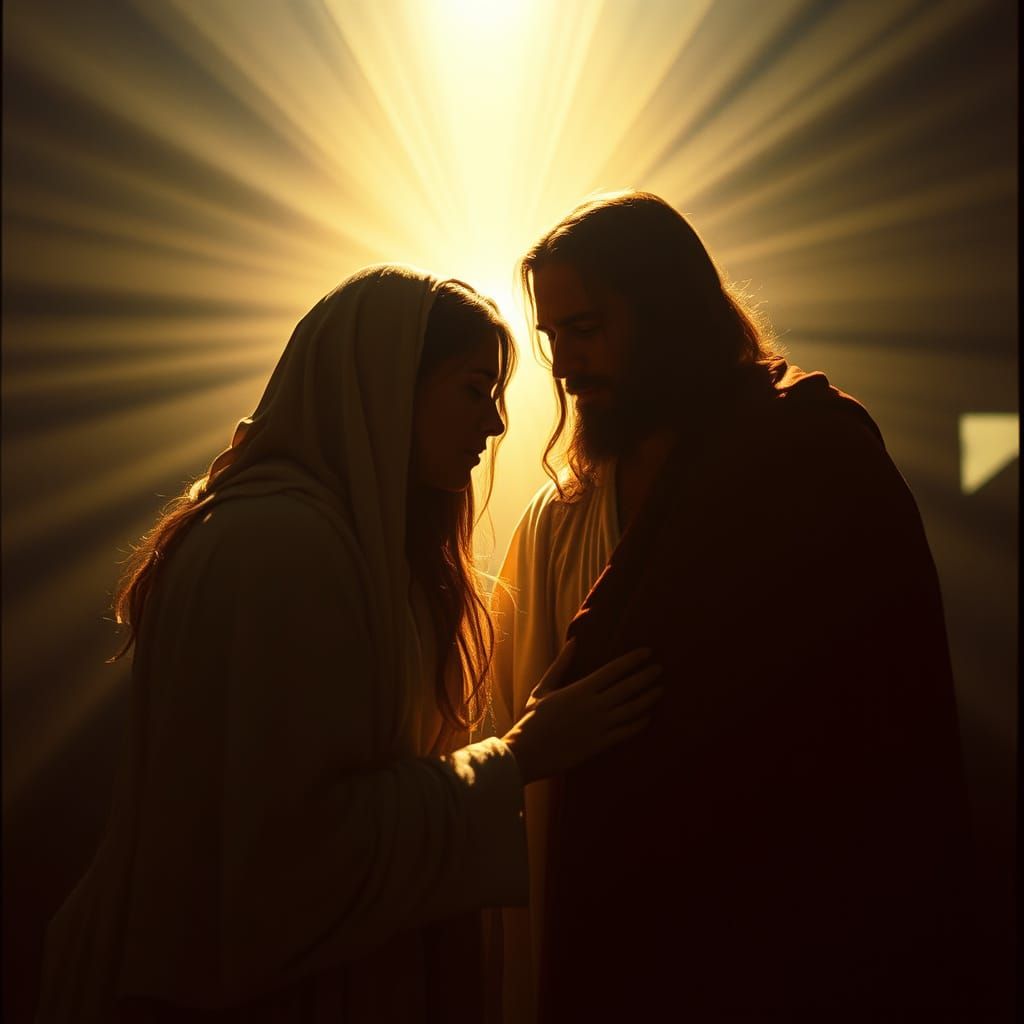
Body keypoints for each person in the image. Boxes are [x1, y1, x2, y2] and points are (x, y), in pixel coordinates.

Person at [35, 264, 664, 1023]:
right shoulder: (277, 549)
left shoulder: (336, 546)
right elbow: (289, 865)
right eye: (473, 389)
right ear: (387, 386)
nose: (497, 425)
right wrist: (521, 756)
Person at [491, 192, 975, 1021]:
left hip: (797, 925)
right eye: (551, 335)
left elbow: (893, 707)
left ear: (666, 313)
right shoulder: (566, 510)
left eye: (587, 327)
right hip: (629, 931)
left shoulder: (814, 451)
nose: (563, 365)